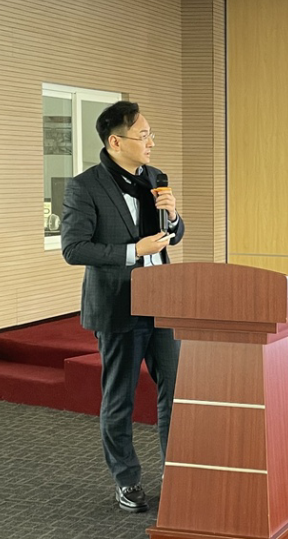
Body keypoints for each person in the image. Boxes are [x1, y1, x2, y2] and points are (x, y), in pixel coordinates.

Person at [61, 100, 184, 513]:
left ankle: (177, 472)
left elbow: (172, 235)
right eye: (143, 135)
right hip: (118, 305)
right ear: (116, 142)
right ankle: (127, 480)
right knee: (120, 399)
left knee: (176, 391)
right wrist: (134, 251)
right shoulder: (85, 187)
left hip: (163, 302)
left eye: (151, 134)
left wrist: (174, 217)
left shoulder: (154, 178)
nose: (151, 142)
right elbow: (74, 249)